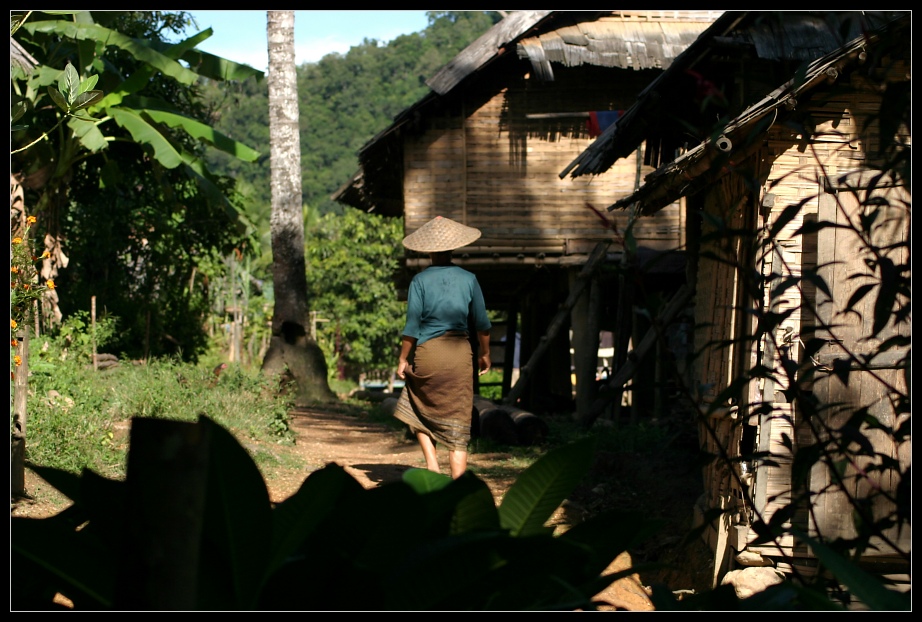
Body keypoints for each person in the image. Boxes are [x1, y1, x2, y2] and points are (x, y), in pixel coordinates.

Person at [394, 216, 491, 479]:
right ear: (453, 247)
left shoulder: (420, 281)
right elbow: (482, 324)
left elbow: (412, 327)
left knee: (418, 405)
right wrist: (485, 354)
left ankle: (433, 467)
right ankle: (459, 484)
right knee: (459, 418)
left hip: (429, 353)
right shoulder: (469, 279)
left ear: (428, 249)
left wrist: (403, 359)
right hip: (460, 354)